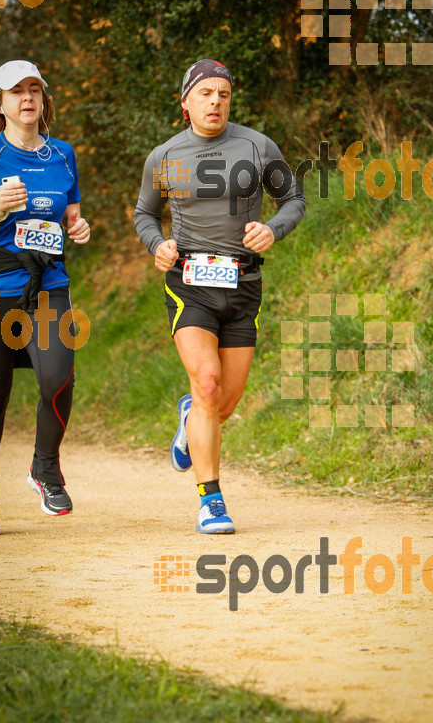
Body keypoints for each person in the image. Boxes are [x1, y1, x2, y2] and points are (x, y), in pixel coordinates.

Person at [134, 59, 305, 534]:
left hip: (244, 285)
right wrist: (158, 244)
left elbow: (294, 199)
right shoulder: (164, 156)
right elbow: (145, 213)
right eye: (205, 93)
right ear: (185, 101)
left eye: (223, 94)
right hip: (190, 283)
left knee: (221, 405)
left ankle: (192, 419)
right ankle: (211, 502)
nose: (215, 101)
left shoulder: (257, 145)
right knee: (206, 382)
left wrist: (272, 229)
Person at [0, 60, 90, 535]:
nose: (27, 98)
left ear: (44, 99)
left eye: (34, 89)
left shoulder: (62, 154)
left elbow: (69, 214)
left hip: (47, 285)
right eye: (16, 91)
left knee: (59, 379)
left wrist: (76, 227)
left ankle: (45, 467)